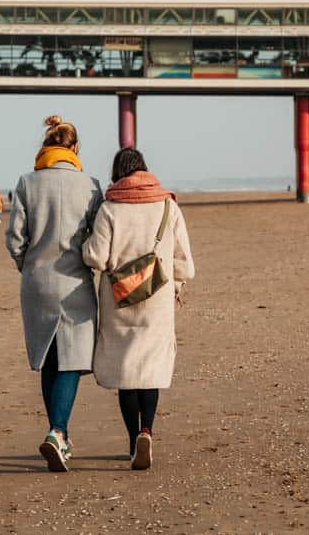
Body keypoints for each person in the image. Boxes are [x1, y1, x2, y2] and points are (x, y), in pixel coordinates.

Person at [82, 148, 195, 470]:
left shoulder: (110, 208)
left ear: (117, 173)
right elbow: (184, 262)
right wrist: (176, 285)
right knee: (151, 369)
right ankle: (148, 430)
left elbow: (97, 257)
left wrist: (83, 246)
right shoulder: (167, 206)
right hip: (157, 297)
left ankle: (134, 441)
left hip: (119, 299)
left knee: (126, 371)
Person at [5, 115, 103, 472]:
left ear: (47, 146)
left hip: (36, 282)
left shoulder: (27, 183)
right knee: (73, 361)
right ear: (75, 149)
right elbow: (97, 238)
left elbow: (15, 239)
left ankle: (58, 436)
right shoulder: (90, 186)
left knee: (49, 357)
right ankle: (58, 431)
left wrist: (28, 266)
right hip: (74, 281)